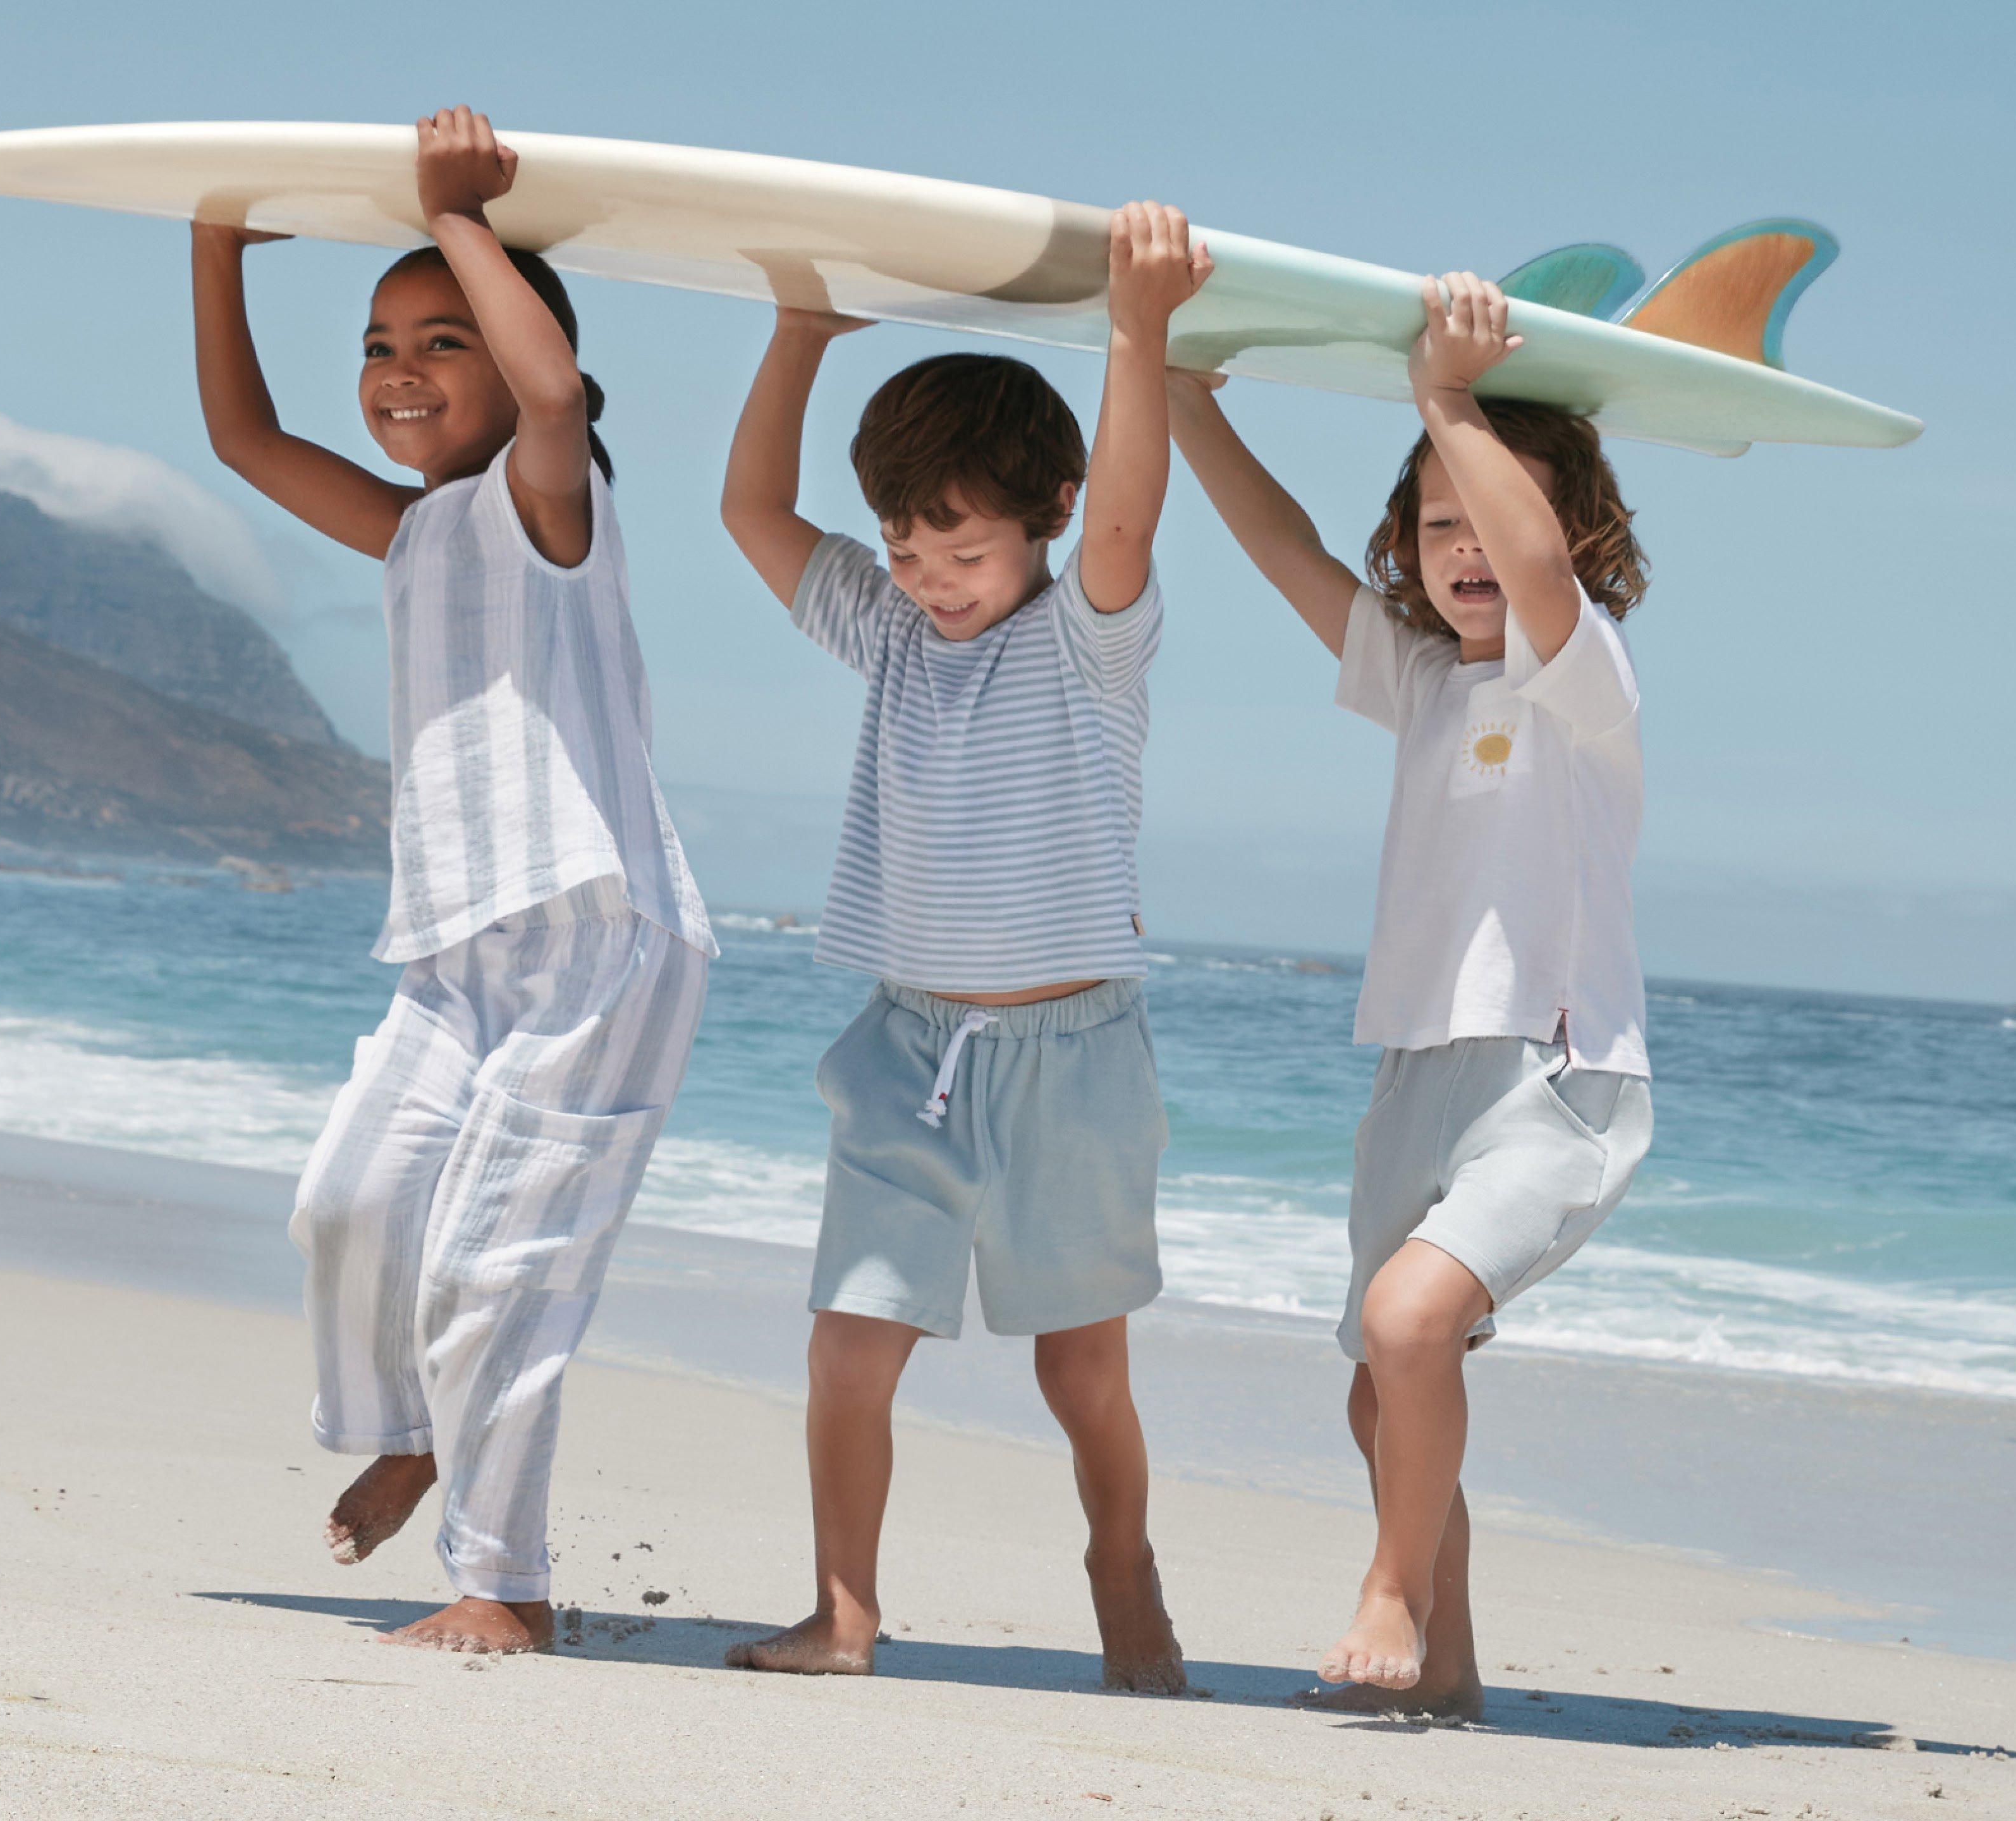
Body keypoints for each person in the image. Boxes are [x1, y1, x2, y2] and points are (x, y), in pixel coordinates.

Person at [193, 106, 714, 1656]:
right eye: (378, 342)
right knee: (348, 1201)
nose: (399, 370)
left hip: (602, 947)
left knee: (504, 1267)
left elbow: (552, 390)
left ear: (516, 354)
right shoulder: (416, 531)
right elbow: (243, 442)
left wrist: (462, 219)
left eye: (442, 338)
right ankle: (420, 1427)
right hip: (458, 955)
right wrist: (218, 240)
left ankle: (507, 1584)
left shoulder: (554, 507)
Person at [709, 204, 1213, 1693]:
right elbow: (749, 512)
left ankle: (1122, 1570)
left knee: (1081, 1369)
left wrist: (1138, 328)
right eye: (906, 546)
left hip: (1073, 1061)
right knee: (847, 1346)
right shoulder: (886, 635)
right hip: (906, 1051)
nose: (930, 575)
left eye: (963, 548)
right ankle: (844, 1612)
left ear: (1042, 514)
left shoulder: (1086, 639)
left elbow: (1126, 519)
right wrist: (796, 336)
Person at [1165, 274, 1656, 1717]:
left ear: (1569, 533)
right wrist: (1188, 401)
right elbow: (1281, 549)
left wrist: (1445, 400)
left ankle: (1390, 1592)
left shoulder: (1587, 680)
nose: (1463, 546)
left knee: (1408, 1328)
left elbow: (1541, 579)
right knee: (1379, 1388)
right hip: (1414, 1077)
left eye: (1488, 515)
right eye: (1433, 523)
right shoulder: (1423, 680)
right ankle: (1443, 1674)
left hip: (1551, 1081)